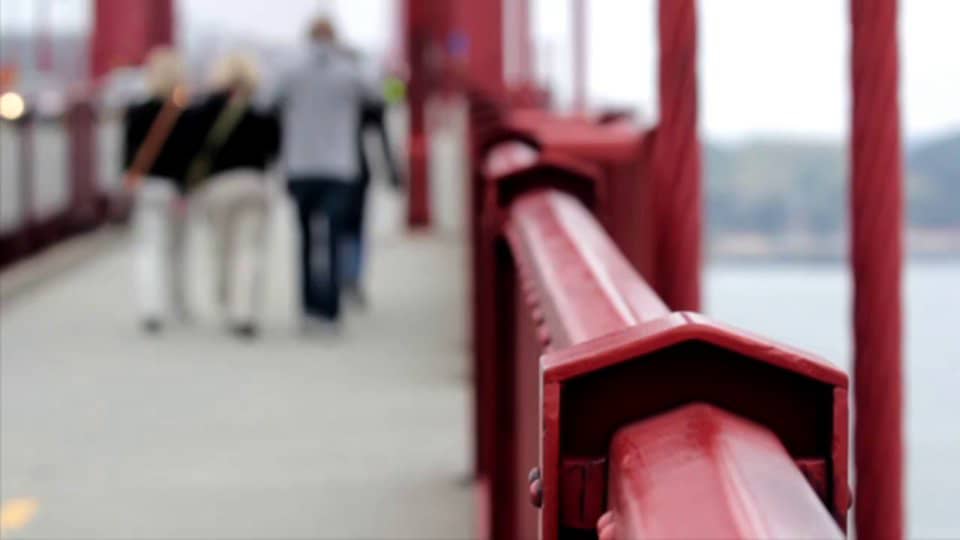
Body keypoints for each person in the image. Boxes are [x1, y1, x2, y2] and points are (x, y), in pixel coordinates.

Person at [273, 18, 378, 328]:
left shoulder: (290, 70)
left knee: (305, 238)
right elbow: (378, 93)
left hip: (301, 167)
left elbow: (266, 100)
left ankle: (308, 308)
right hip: (338, 167)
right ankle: (331, 310)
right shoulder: (348, 71)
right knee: (333, 237)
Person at [189, 53, 280, 339]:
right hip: (253, 184)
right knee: (249, 250)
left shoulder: (204, 111)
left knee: (221, 249)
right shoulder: (260, 110)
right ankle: (245, 311)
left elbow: (193, 149)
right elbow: (274, 150)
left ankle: (227, 303)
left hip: (217, 186)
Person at [123, 48, 195, 333]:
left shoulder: (137, 111)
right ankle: (179, 303)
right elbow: (191, 156)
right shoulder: (187, 114)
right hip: (177, 189)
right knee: (178, 249)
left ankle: (150, 308)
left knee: (148, 248)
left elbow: (128, 154)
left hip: (148, 186)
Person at [341, 60, 403, 305]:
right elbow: (381, 136)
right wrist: (392, 170)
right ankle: (352, 278)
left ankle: (342, 276)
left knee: (338, 227)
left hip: (336, 171)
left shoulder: (332, 99)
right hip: (358, 169)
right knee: (356, 226)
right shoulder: (366, 100)